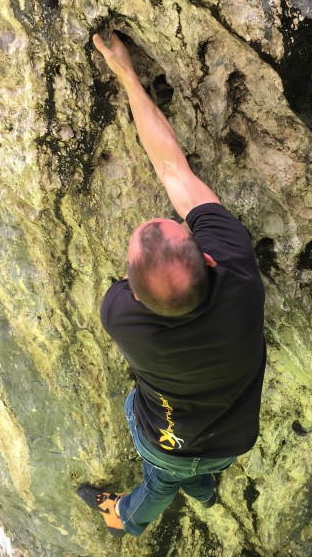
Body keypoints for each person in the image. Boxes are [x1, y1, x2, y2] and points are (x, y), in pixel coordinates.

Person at [77, 31, 266, 538]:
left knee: (159, 483)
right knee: (205, 474)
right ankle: (204, 490)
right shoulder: (237, 270)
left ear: (134, 294)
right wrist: (129, 72)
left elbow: (166, 169)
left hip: (167, 442)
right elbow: (172, 170)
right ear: (207, 257)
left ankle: (125, 518)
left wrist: (123, 74)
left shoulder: (122, 316)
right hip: (232, 436)